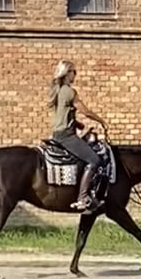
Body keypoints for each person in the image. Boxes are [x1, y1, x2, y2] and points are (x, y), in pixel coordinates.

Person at [48, 60, 109, 211]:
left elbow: (64, 116)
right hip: (66, 136)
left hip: (57, 134)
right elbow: (86, 111)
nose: (76, 75)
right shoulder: (69, 92)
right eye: (74, 71)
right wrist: (102, 121)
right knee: (94, 160)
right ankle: (83, 198)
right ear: (68, 73)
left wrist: (80, 126)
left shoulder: (58, 90)